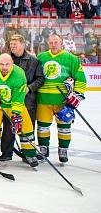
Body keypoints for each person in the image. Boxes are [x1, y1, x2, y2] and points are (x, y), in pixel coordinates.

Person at [0, 54, 39, 167]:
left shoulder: (19, 74)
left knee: (26, 127)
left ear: (12, 63)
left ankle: (30, 154)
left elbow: (19, 96)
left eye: (7, 64)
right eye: (2, 64)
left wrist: (16, 113)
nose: (4, 67)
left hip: (13, 103)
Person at [36, 34, 87, 163]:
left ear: (61, 43)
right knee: (42, 127)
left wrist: (75, 98)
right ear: (48, 43)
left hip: (63, 102)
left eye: (56, 42)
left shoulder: (71, 59)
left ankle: (63, 149)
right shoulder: (41, 57)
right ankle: (43, 148)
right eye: (51, 42)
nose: (53, 45)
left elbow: (81, 80)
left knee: (64, 128)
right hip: (43, 99)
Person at [0, 34, 44, 161]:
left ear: (23, 44)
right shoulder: (5, 59)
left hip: (28, 101)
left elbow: (41, 79)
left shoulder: (34, 60)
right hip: (9, 100)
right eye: (11, 44)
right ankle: (6, 153)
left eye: (15, 44)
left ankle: (28, 153)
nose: (12, 46)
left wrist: (29, 88)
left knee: (28, 128)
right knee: (8, 128)